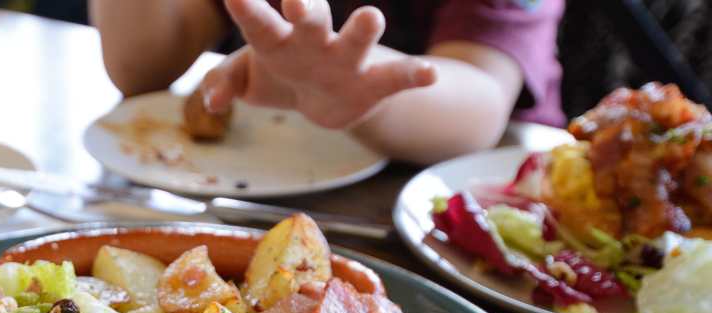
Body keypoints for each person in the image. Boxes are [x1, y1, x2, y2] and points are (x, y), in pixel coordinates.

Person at [89, 0, 565, 164]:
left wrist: (361, 91)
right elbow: (141, 68)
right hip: (253, 184)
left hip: (456, 214)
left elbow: (480, 100)